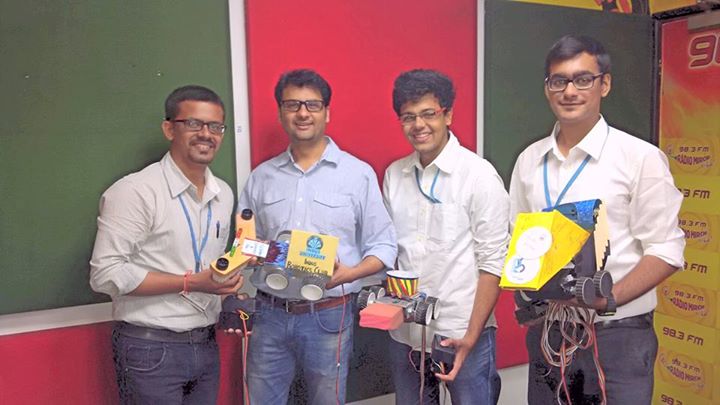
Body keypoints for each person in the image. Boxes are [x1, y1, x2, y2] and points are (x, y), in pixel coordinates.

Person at [508, 35, 685, 404]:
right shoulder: (529, 161)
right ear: (547, 88)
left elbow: (666, 250)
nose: (570, 91)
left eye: (582, 79)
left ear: (604, 83)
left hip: (616, 334)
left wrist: (607, 299)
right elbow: (517, 239)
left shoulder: (640, 158)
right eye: (559, 81)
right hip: (548, 329)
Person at [237, 68, 397, 404]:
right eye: (293, 104)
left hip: (329, 314)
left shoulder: (358, 175)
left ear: (327, 112)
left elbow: (385, 245)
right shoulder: (261, 178)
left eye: (312, 104)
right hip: (269, 314)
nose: (303, 113)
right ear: (281, 112)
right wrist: (250, 252)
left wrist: (350, 273)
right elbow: (244, 244)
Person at [90, 85, 242, 404]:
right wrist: (191, 282)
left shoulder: (223, 193)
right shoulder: (136, 192)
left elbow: (208, 262)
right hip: (149, 348)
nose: (206, 134)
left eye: (216, 126)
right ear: (169, 128)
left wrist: (234, 274)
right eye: (194, 124)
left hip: (205, 342)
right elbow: (105, 274)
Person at [382, 69, 508, 405]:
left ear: (448, 114)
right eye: (408, 117)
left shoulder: (478, 176)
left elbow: (494, 262)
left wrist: (471, 334)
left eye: (428, 114)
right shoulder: (395, 175)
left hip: (462, 330)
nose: (418, 125)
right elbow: (392, 251)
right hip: (406, 330)